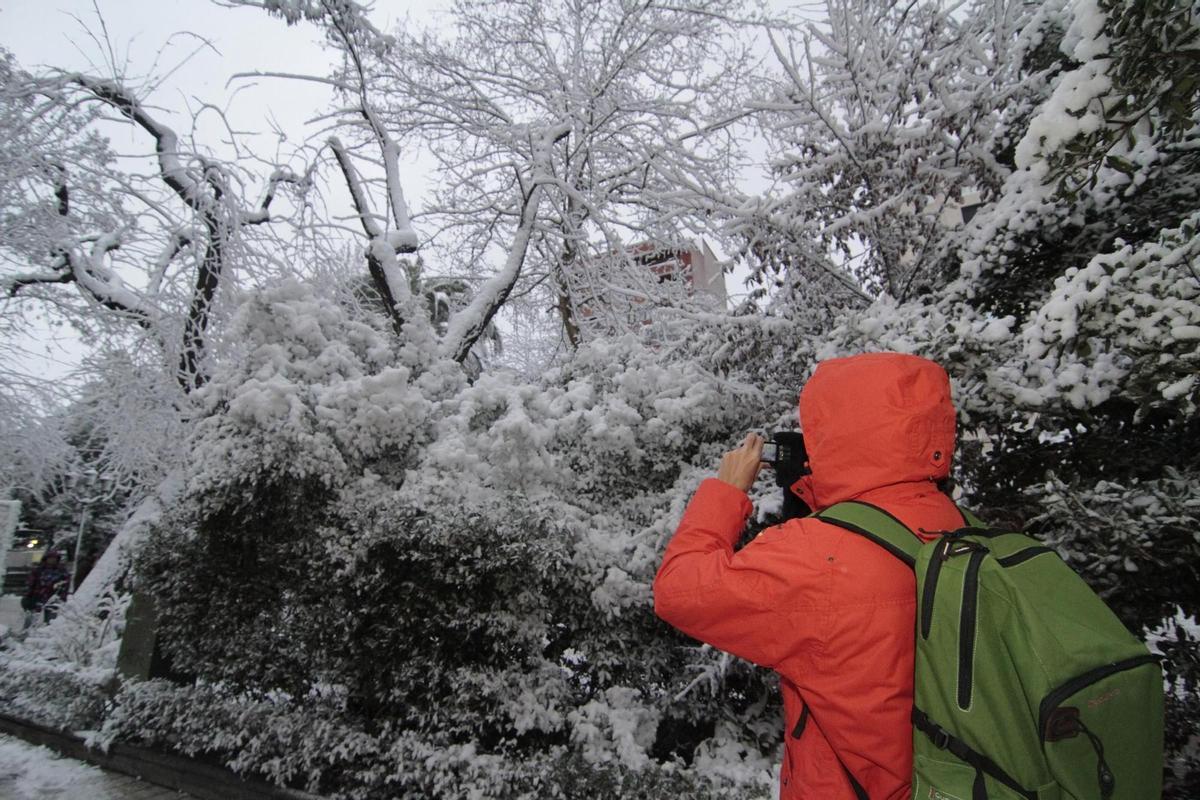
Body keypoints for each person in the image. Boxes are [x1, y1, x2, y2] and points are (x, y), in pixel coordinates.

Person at [654, 352, 962, 800]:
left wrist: (725, 491)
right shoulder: (955, 522)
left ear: (841, 434)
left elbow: (678, 590)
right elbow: (869, 541)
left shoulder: (813, 557)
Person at [22, 550, 71, 625]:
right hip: (37, 598)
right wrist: (27, 596)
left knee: (51, 621)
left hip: (53, 599)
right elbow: (30, 584)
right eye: (50, 558)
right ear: (46, 558)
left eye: (54, 558)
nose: (52, 560)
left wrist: (62, 598)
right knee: (31, 620)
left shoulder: (62, 571)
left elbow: (65, 585)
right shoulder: (38, 570)